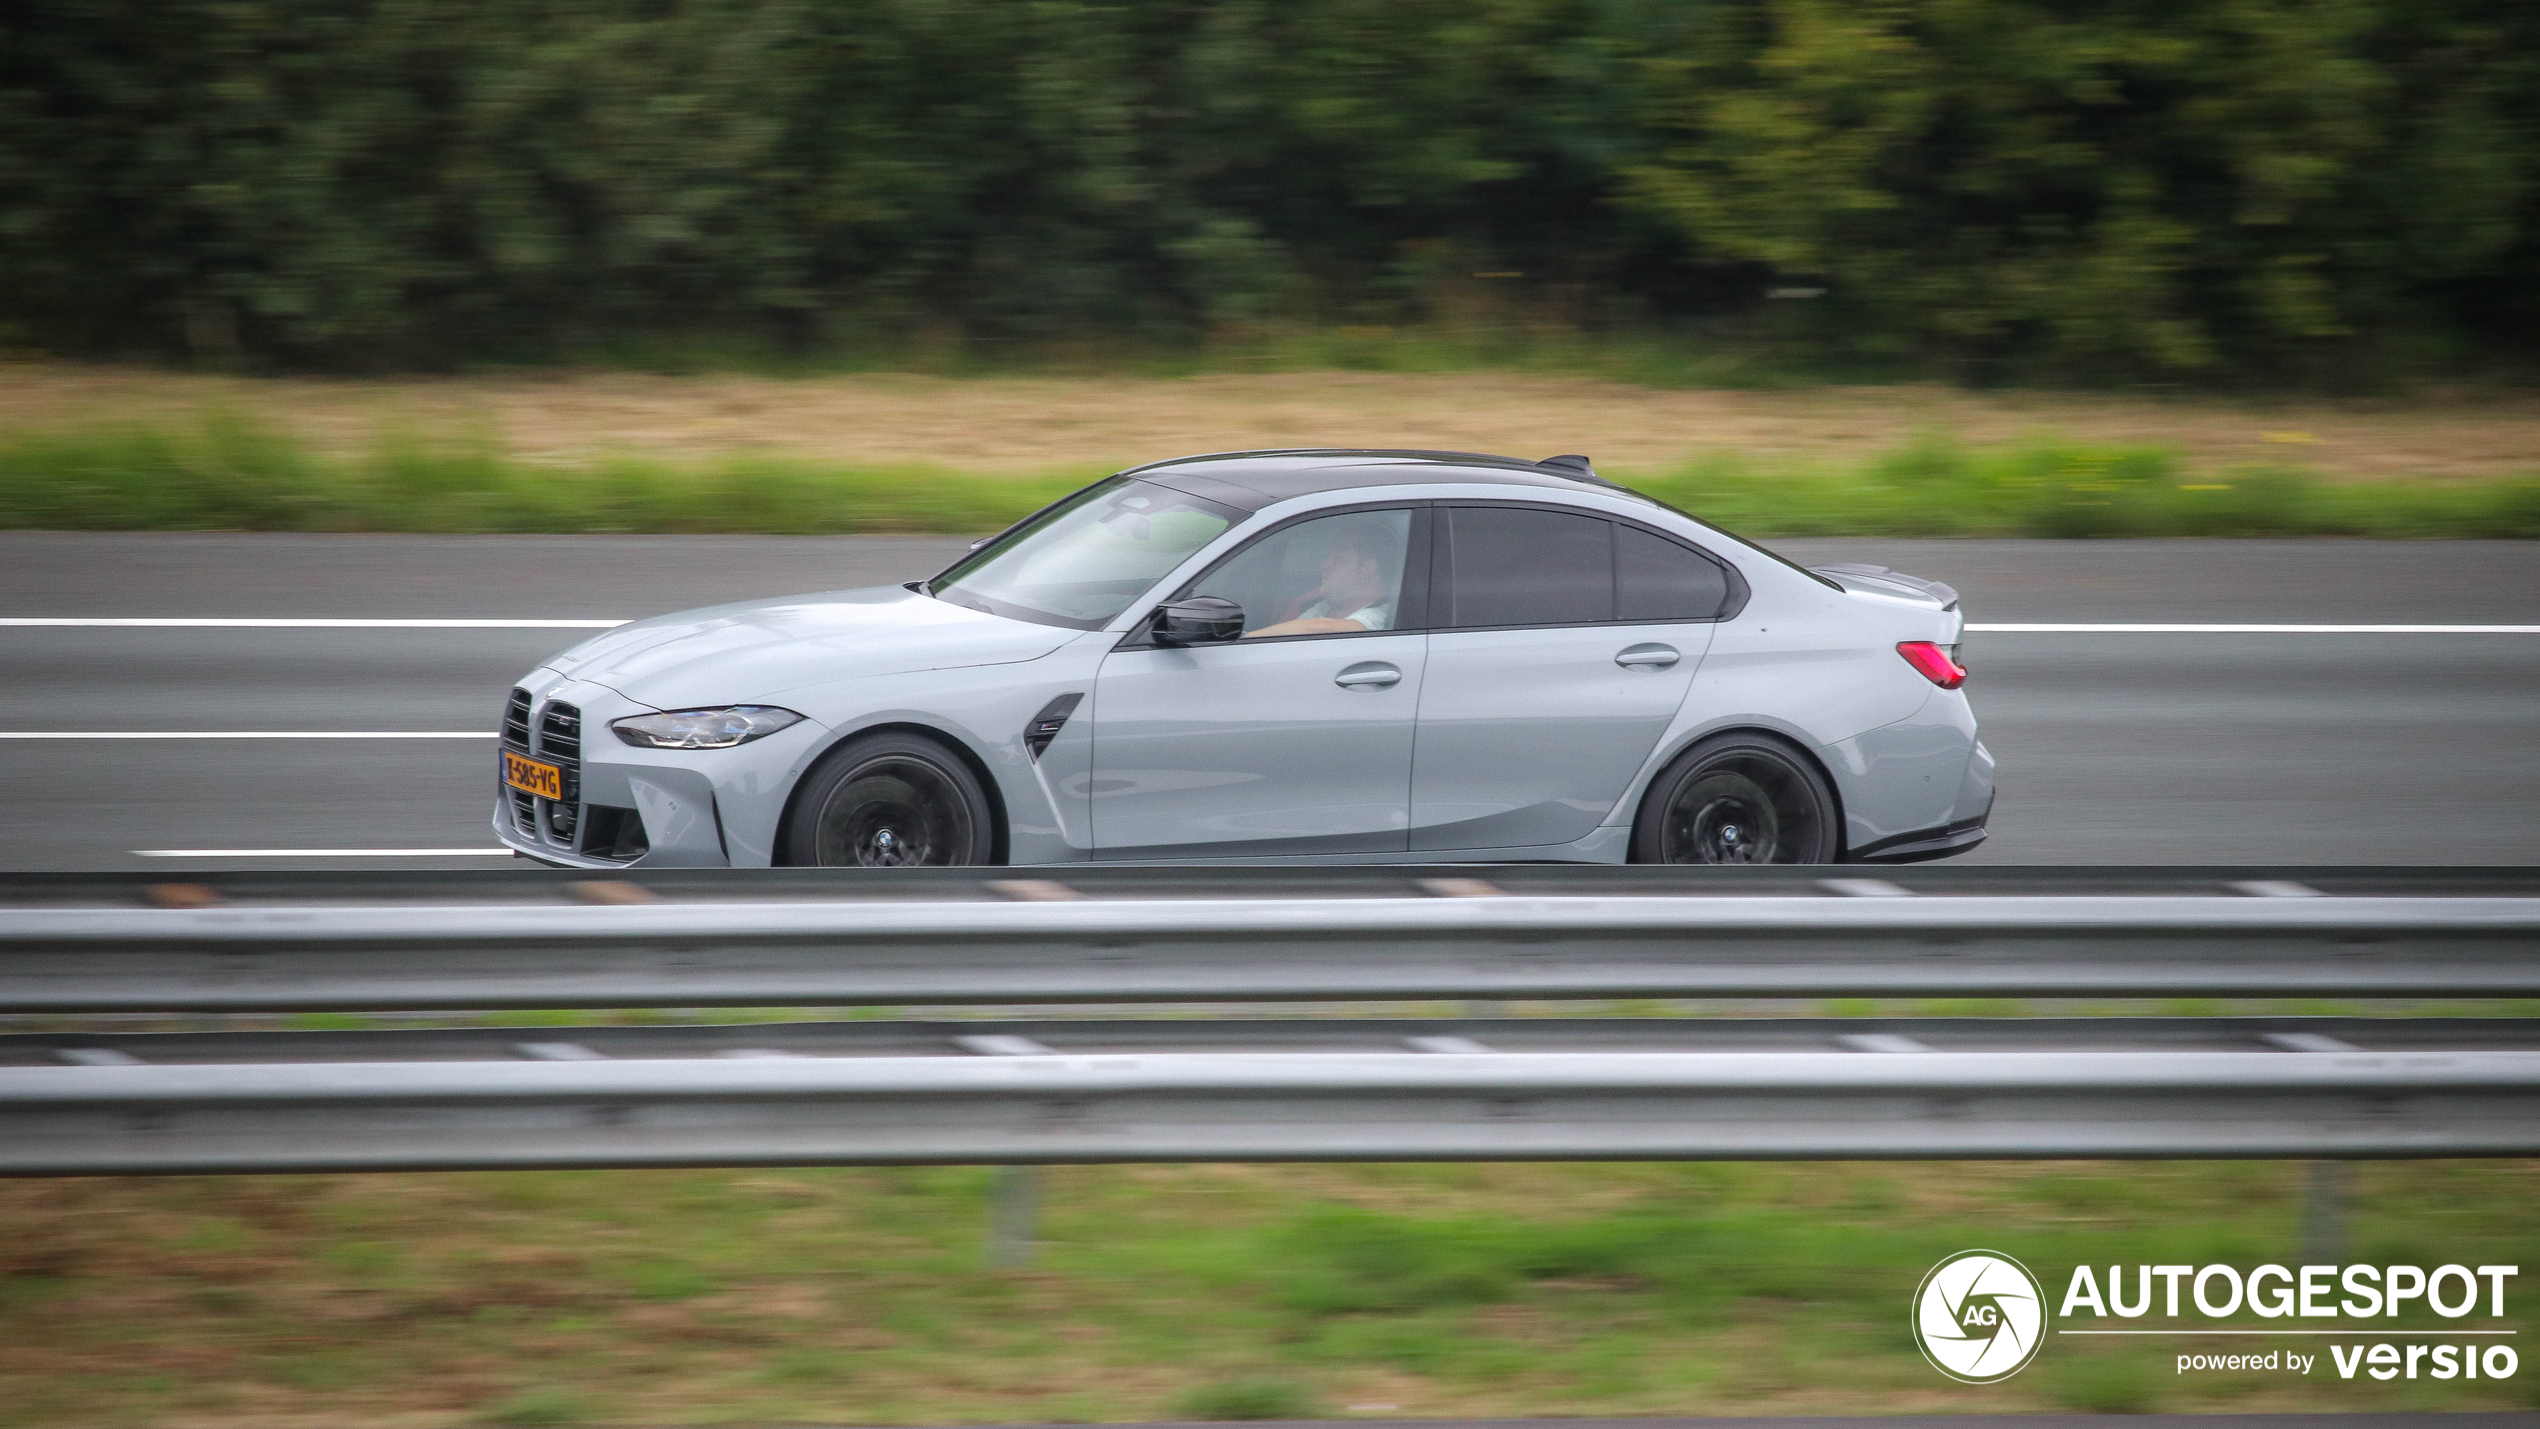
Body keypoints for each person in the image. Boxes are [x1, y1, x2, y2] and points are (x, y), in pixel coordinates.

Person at [1243, 524, 1395, 637]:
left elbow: (1323, 628)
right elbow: (1281, 635)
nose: (1323, 565)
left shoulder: (1383, 616)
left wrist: (1246, 639)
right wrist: (1304, 599)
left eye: (1338, 559)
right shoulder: (1325, 606)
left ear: (1368, 569)